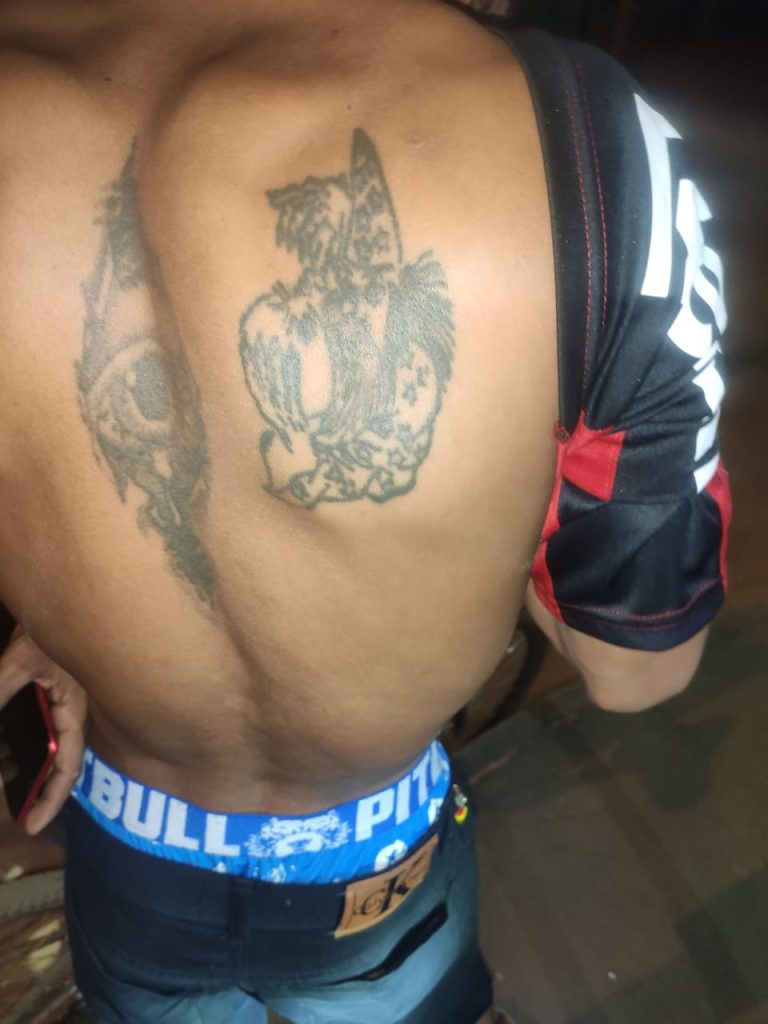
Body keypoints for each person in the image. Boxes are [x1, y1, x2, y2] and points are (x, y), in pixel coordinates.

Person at [0, 1, 730, 1021]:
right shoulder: (584, 140)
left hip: (126, 846)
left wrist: (64, 590)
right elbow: (639, 667)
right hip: (377, 874)